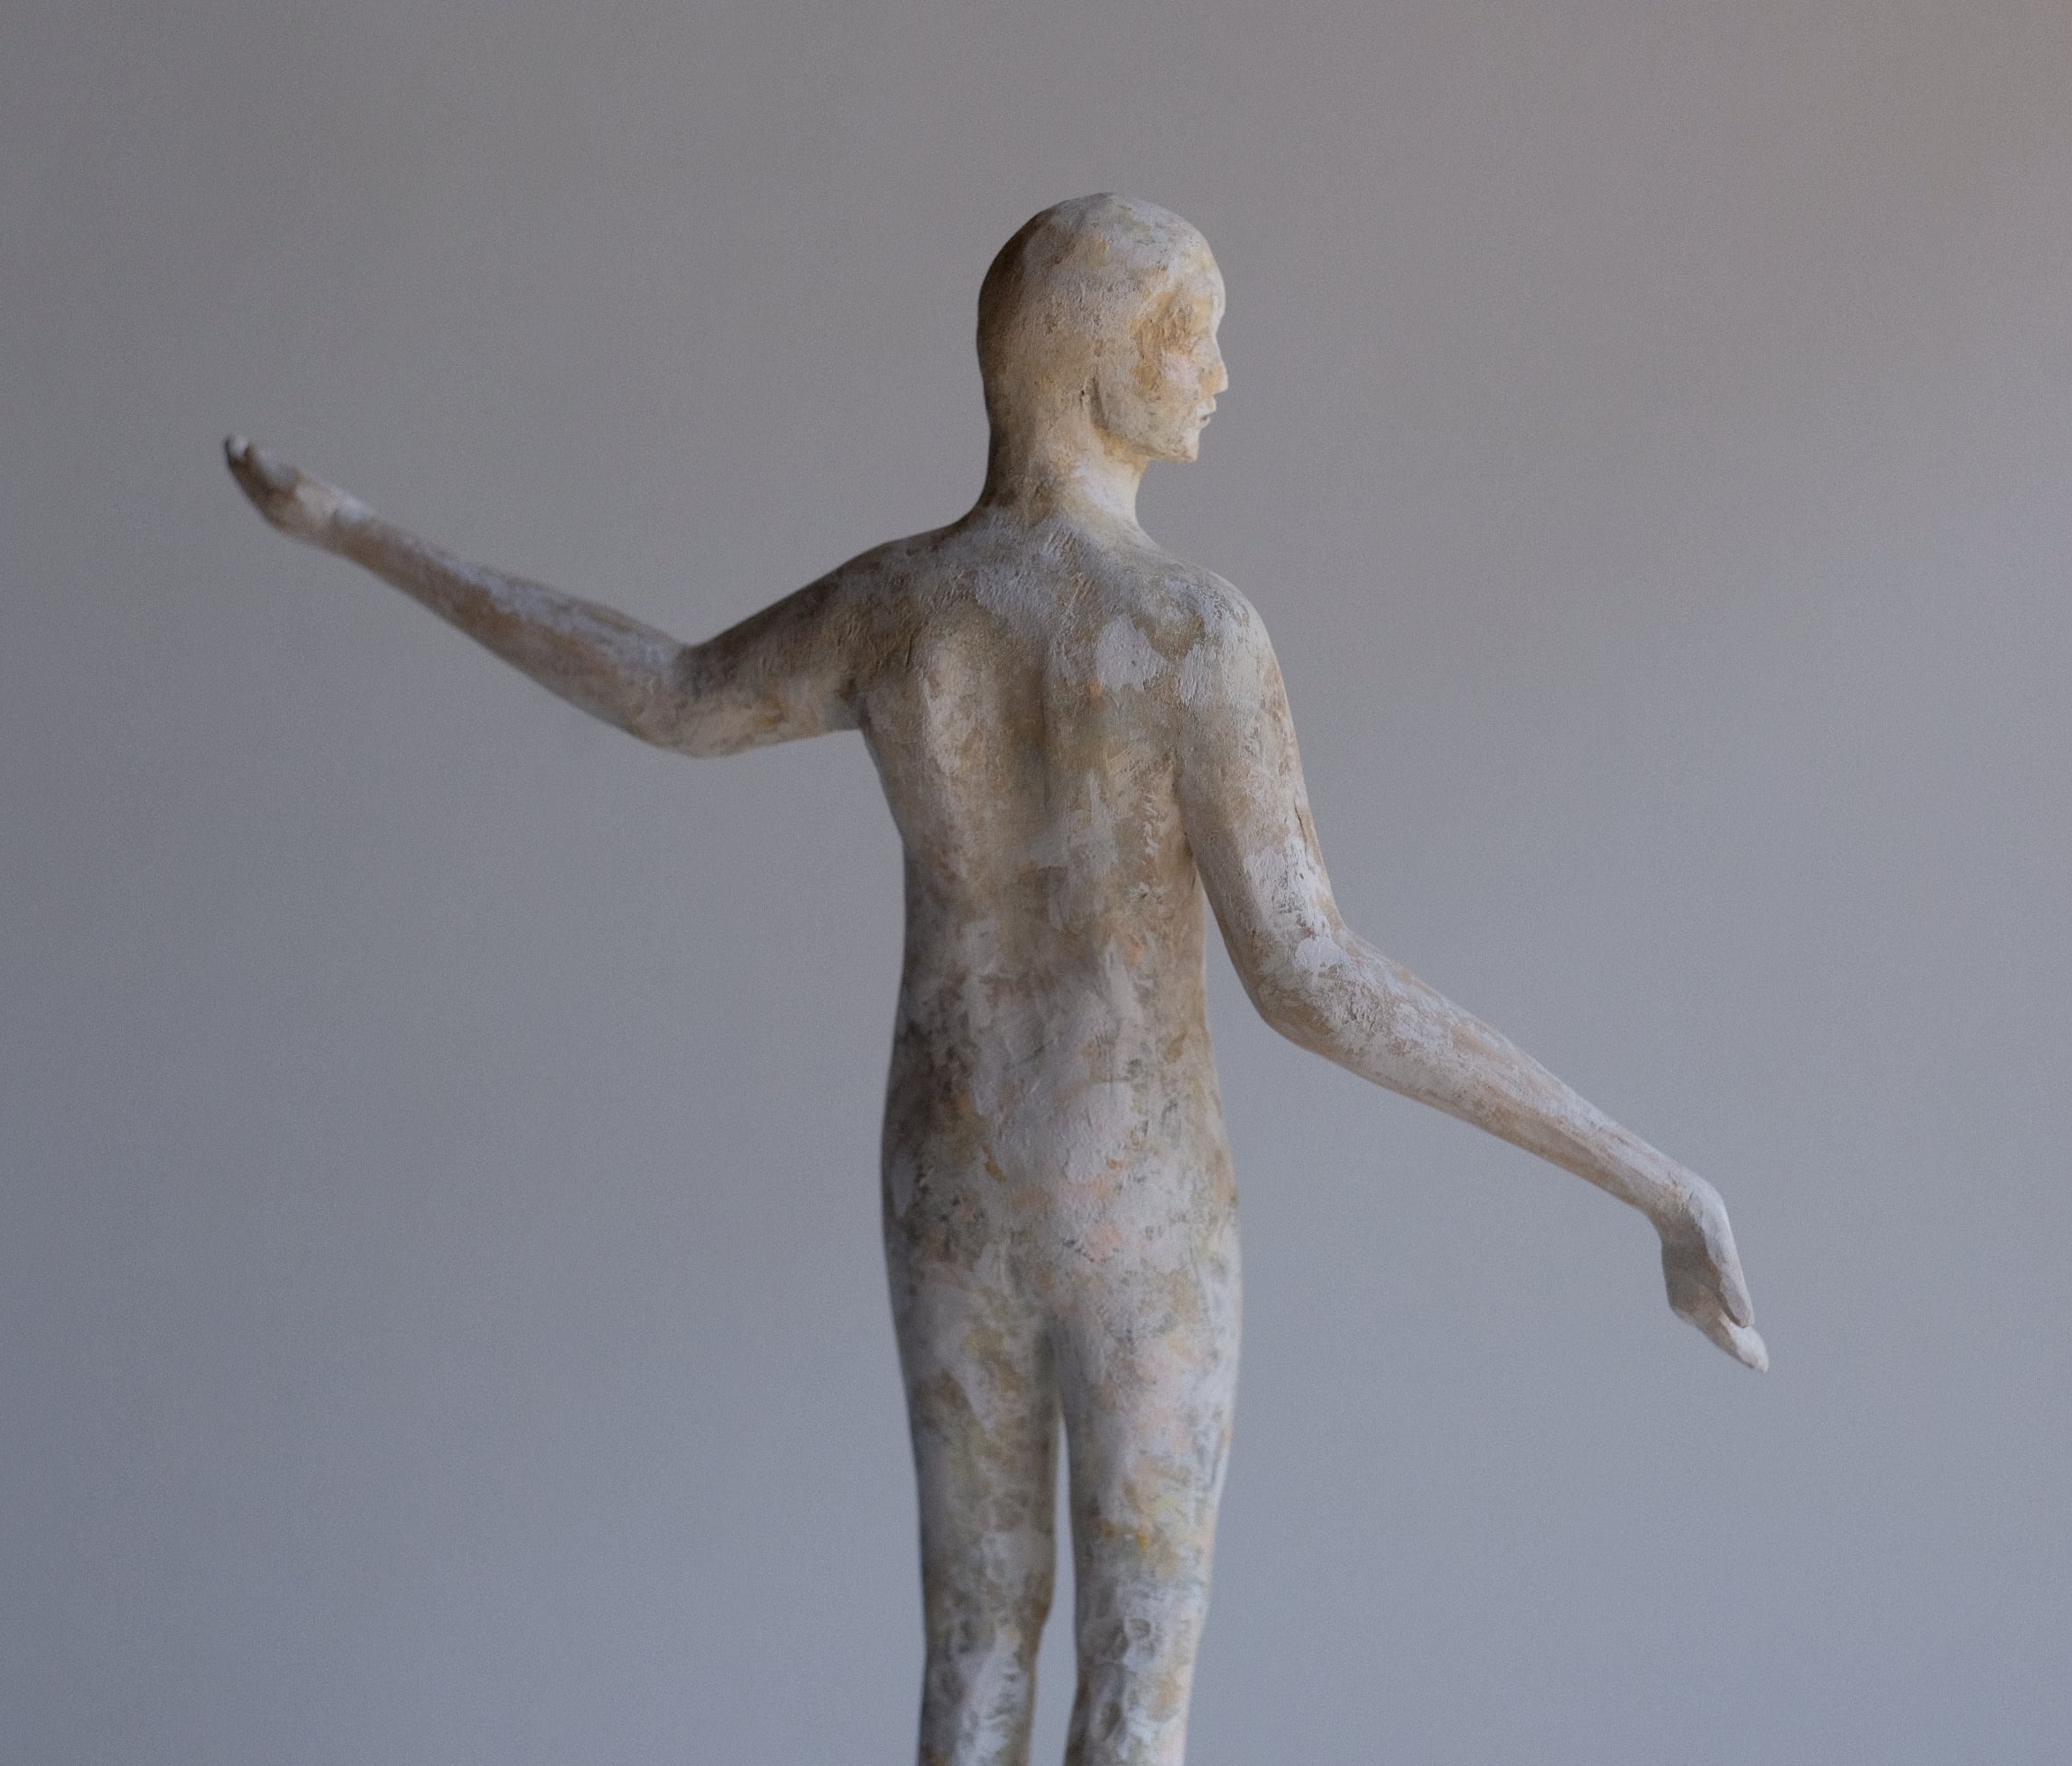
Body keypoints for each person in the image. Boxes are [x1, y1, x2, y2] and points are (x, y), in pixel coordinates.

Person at [225, 192, 1763, 1766]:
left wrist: (359, 534)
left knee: (972, 1653)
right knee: (1139, 1678)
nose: (1223, 374)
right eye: (1191, 335)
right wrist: (1652, 1179)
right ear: (1089, 362)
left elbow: (671, 693)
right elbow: (1309, 975)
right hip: (1138, 1191)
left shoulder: (899, 609)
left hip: (950, 1170)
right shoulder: (1192, 636)